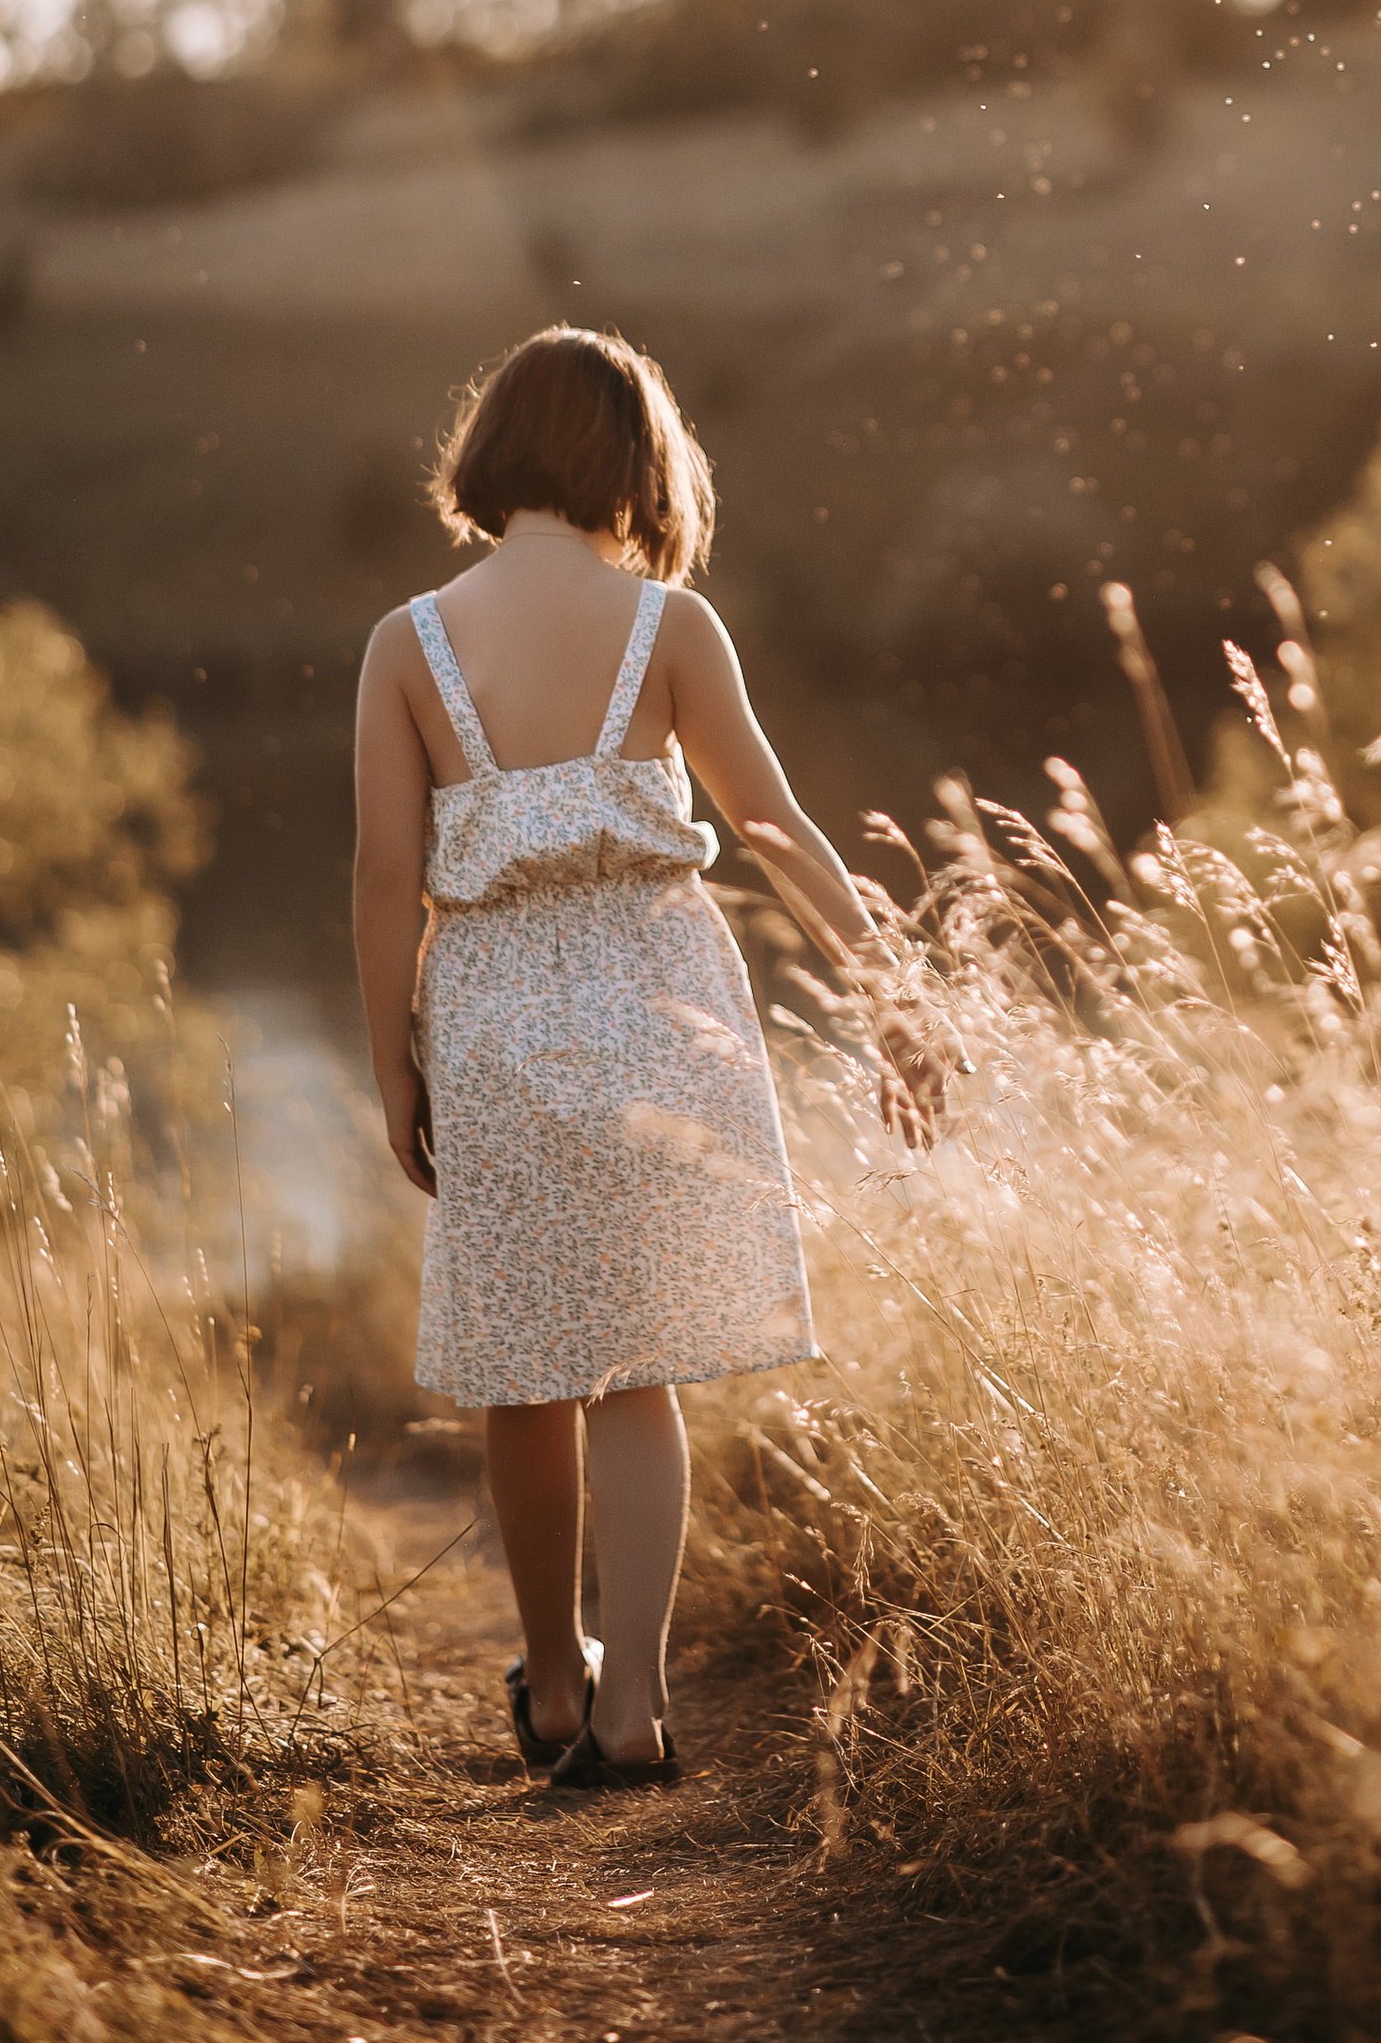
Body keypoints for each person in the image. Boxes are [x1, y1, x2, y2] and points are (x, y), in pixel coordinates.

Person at [352, 322, 942, 1793]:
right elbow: (776, 826)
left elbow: (383, 875)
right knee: (635, 1365)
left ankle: (555, 1685)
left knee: (524, 1366)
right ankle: (636, 1710)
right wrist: (892, 994)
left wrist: (394, 1066)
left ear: (493, 450)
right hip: (659, 1002)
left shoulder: (410, 641)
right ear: (636, 460)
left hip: (491, 1012)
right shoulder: (671, 626)